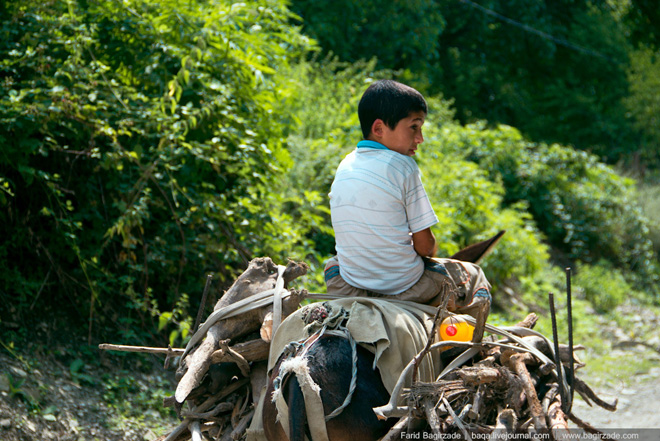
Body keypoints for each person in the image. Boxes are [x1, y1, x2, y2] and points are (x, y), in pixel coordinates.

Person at [324, 80, 491, 339]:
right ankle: (462, 344)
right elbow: (425, 247)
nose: (420, 138)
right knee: (474, 275)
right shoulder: (404, 167)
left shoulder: (345, 164)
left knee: (332, 264)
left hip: (349, 287)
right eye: (414, 127)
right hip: (402, 288)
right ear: (379, 128)